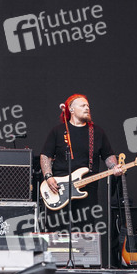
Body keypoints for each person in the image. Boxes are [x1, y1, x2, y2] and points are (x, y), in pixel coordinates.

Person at [40, 93, 123, 230]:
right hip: (59, 188)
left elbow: (108, 155)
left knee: (85, 230)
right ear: (71, 109)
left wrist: (114, 167)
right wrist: (48, 177)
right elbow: (45, 156)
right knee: (56, 230)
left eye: (88, 106)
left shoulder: (97, 132)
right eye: (83, 105)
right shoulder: (58, 131)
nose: (87, 108)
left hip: (87, 187)